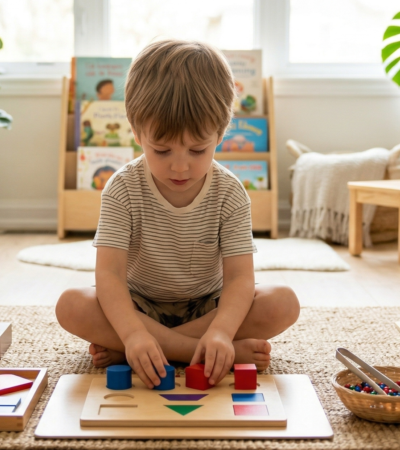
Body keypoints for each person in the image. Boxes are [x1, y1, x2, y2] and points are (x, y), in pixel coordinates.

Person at [55, 40, 299, 388]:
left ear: (221, 132)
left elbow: (240, 280)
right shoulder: (122, 188)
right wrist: (134, 331)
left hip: (207, 308)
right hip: (137, 307)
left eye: (198, 149)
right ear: (137, 131)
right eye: (162, 149)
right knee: (71, 305)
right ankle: (183, 349)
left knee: (283, 302)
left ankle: (141, 350)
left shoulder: (230, 192)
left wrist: (220, 330)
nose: (181, 165)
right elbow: (108, 275)